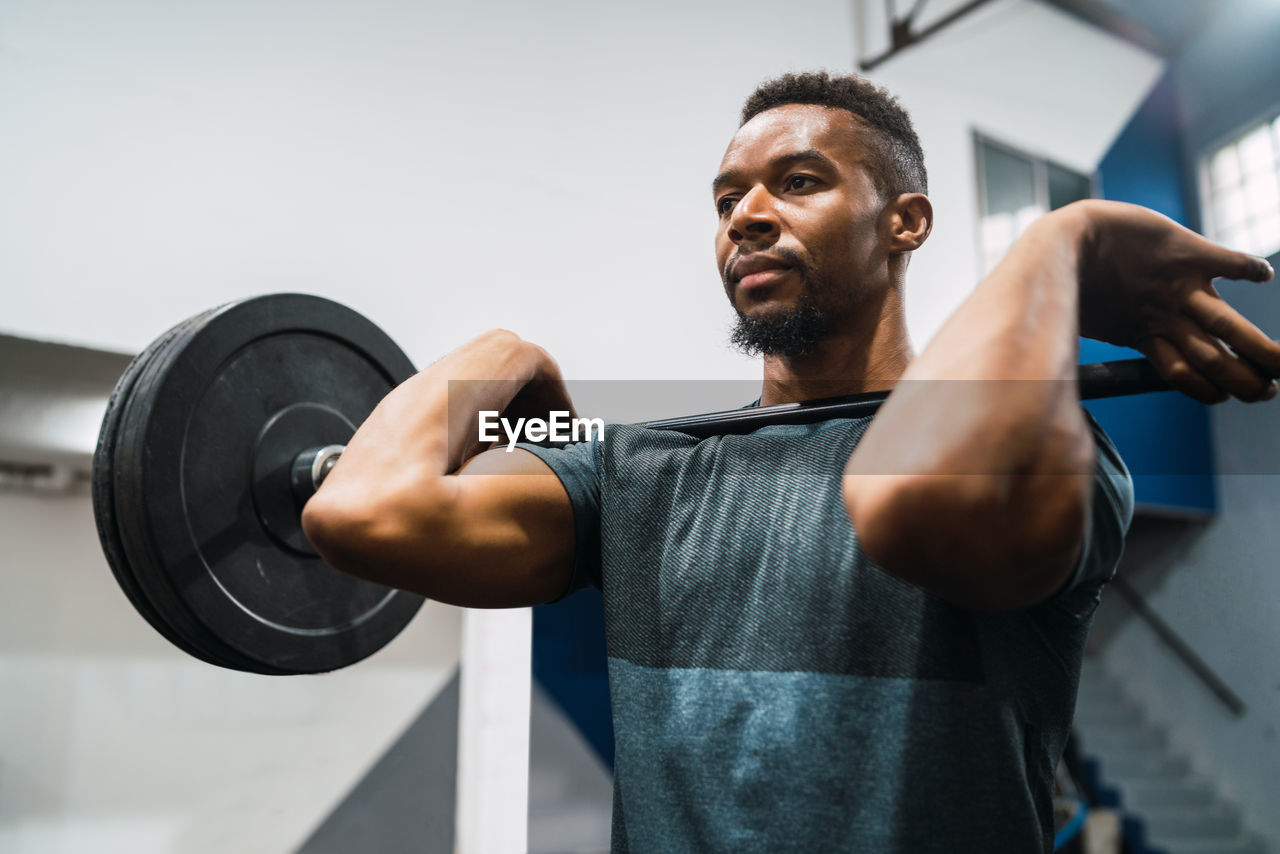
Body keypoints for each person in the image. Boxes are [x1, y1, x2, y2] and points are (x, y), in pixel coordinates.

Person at [301, 72, 1280, 852]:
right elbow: (361, 511)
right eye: (727, 198)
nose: (745, 216)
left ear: (905, 221)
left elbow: (907, 503)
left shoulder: (1044, 456)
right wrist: (504, 353)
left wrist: (1054, 246)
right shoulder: (639, 469)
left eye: (797, 182)